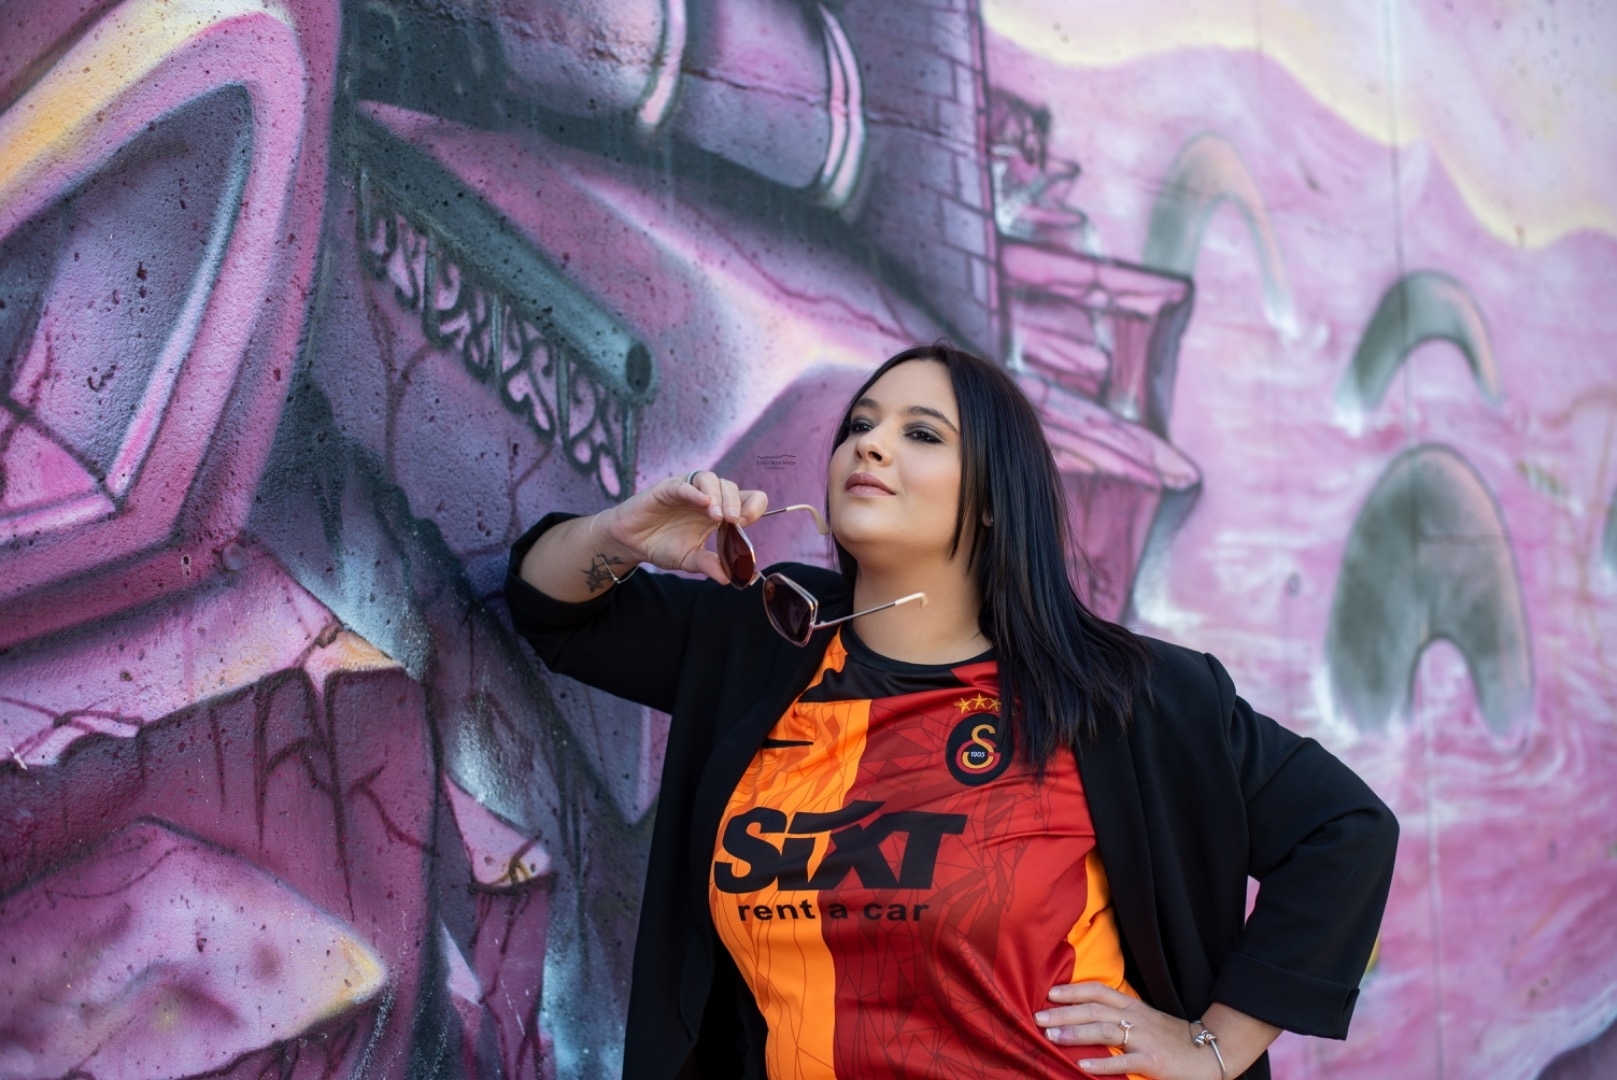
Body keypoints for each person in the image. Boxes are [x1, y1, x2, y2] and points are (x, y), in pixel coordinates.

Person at [508, 342, 1398, 1080]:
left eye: (920, 433)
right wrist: (622, 536)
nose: (870, 446)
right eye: (859, 426)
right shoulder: (760, 643)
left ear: (994, 500)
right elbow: (554, 611)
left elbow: (1345, 830)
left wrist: (1216, 1047)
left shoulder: (1125, 697)